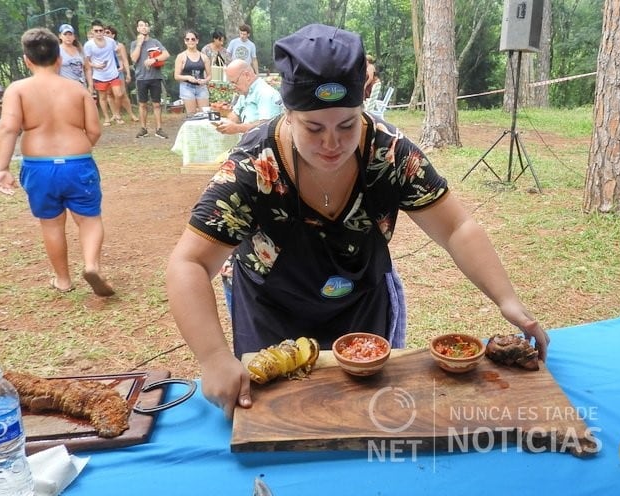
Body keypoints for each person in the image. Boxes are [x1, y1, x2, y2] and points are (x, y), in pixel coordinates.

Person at [165, 24, 549, 419]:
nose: (332, 143)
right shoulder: (253, 167)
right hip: (272, 313)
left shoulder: (390, 153)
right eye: (313, 128)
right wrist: (213, 358)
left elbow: (455, 228)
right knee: (285, 423)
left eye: (347, 124)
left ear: (363, 107)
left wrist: (508, 300)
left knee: (369, 418)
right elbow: (188, 264)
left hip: (361, 310)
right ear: (288, 113)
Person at [0, 27, 115, 297]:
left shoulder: (18, 90)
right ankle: (92, 265)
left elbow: (8, 128)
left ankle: (62, 279)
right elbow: (94, 131)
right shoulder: (78, 89)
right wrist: (78, 149)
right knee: (89, 218)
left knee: (51, 222)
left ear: (27, 60)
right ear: (59, 57)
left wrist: (2, 169)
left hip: (39, 167)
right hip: (78, 163)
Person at [213, 59, 282, 135]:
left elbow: (267, 125)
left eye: (234, 82)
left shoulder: (266, 93)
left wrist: (237, 128)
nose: (233, 87)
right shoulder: (245, 91)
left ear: (247, 75)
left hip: (262, 144)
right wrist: (224, 123)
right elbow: (236, 114)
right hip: (248, 141)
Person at [130, 18, 170, 139]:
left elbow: (166, 54)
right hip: (141, 77)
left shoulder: (155, 42)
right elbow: (133, 58)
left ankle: (159, 129)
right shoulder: (134, 44)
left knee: (156, 104)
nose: (144, 28)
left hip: (155, 77)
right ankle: (143, 129)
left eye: (146, 25)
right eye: (141, 25)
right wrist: (139, 43)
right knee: (142, 104)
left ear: (149, 28)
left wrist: (155, 59)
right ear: (137, 29)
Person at [83, 19, 125, 126]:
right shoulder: (88, 45)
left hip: (113, 73)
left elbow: (118, 52)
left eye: (100, 30)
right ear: (92, 32)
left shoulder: (110, 41)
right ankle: (106, 118)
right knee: (103, 97)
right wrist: (95, 65)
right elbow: (86, 62)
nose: (99, 33)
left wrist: (121, 64)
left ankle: (117, 114)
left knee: (119, 94)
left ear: (103, 30)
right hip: (99, 75)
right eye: (96, 31)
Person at [104, 25, 139, 122]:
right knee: (109, 94)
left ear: (113, 35)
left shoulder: (119, 46)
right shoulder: (101, 45)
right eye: (104, 32)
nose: (105, 34)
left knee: (122, 94)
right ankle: (115, 115)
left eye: (108, 33)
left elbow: (125, 60)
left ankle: (131, 114)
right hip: (105, 73)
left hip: (118, 72)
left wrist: (128, 73)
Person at [174, 29, 212, 115]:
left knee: (205, 113)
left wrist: (205, 81)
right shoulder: (181, 56)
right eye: (187, 39)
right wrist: (188, 77)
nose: (190, 41)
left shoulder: (204, 57)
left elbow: (209, 75)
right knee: (191, 114)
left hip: (201, 87)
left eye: (193, 39)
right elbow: (176, 76)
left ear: (197, 41)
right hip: (187, 87)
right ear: (185, 41)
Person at [57, 24, 92, 92]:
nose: (68, 37)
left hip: (81, 87)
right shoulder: (57, 51)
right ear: (60, 36)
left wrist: (90, 85)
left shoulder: (80, 50)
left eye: (70, 34)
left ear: (74, 37)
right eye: (65, 34)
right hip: (66, 89)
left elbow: (88, 68)